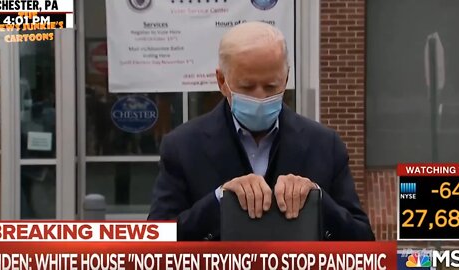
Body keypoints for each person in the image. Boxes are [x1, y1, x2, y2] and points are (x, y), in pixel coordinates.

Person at [148, 21, 375, 241]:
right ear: (221, 81)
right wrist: (219, 202)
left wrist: (317, 200)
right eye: (247, 86)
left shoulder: (325, 145)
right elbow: (155, 240)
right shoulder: (183, 147)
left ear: (286, 78)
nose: (260, 97)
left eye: (271, 86)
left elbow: (363, 240)